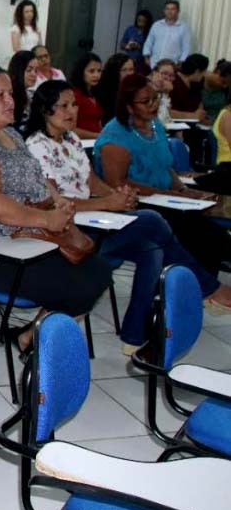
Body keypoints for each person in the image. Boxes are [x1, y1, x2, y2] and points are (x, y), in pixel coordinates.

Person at [25, 80, 231, 350]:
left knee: (152, 247)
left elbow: (92, 182)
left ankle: (134, 338)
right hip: (67, 233)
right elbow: (55, 204)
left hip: (93, 222)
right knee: (152, 220)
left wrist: (116, 196)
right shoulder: (35, 146)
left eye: (73, 104)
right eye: (62, 106)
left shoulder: (71, 139)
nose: (71, 111)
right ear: (45, 110)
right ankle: (209, 288)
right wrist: (109, 203)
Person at [0, 66, 113, 353]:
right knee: (79, 283)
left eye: (11, 94)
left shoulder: (10, 135)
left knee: (97, 270)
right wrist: (47, 218)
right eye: (0, 96)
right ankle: (37, 342)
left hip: (27, 237)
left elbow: (37, 178)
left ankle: (30, 335)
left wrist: (57, 200)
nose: (10, 101)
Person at [95, 74, 231, 276]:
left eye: (155, 98)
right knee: (199, 235)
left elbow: (166, 166)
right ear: (129, 106)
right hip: (137, 203)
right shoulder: (115, 136)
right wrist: (168, 195)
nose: (153, 105)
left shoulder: (155, 126)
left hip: (166, 199)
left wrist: (183, 190)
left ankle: (200, 289)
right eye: (145, 101)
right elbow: (118, 183)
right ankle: (197, 289)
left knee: (214, 234)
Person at [144, 0, 191, 67]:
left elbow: (186, 48)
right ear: (164, 11)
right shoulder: (156, 25)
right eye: (167, 9)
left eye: (172, 9)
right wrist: (146, 57)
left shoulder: (184, 28)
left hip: (172, 66)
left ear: (178, 11)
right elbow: (149, 42)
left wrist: (181, 63)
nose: (169, 11)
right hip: (154, 64)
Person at [68, 52, 105, 139]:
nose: (96, 75)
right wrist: (97, 136)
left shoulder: (96, 92)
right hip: (81, 143)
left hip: (96, 141)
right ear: (81, 72)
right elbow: (71, 129)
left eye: (99, 71)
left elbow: (98, 123)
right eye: (91, 71)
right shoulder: (74, 94)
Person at [94, 53, 135, 122]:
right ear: (114, 71)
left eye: (131, 70)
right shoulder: (103, 89)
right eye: (124, 70)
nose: (128, 74)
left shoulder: (133, 87)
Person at [170, 53, 211, 123]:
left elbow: (199, 107)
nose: (205, 74)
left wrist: (201, 115)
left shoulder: (196, 84)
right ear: (197, 71)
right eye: (204, 71)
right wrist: (192, 115)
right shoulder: (174, 82)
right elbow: (165, 111)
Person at [7, 50, 38, 132]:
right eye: (29, 70)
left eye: (36, 70)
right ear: (18, 70)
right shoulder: (8, 98)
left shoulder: (33, 95)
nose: (34, 74)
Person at [150, 59, 177, 124]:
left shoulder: (165, 90)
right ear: (154, 73)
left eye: (171, 75)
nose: (167, 78)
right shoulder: (146, 89)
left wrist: (166, 93)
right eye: (164, 73)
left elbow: (166, 118)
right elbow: (160, 119)